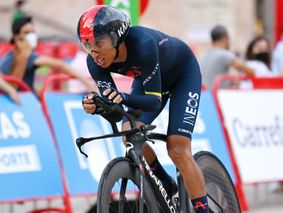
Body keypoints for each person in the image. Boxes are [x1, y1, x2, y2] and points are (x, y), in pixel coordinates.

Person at [80, 5, 209, 212]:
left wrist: (123, 97)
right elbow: (116, 112)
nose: (94, 52)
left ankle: (203, 209)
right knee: (128, 134)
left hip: (182, 75)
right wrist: (99, 107)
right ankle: (165, 181)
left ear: (116, 38)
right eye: (87, 44)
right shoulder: (94, 62)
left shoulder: (143, 45)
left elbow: (153, 101)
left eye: (99, 43)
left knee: (177, 148)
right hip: (149, 79)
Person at [0, 16, 95, 94]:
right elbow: (59, 65)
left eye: (33, 32)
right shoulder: (10, 59)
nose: (32, 36)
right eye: (27, 33)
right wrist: (87, 82)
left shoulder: (29, 55)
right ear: (16, 38)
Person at [199, 25, 253, 90]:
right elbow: (249, 70)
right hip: (217, 96)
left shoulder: (204, 55)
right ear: (226, 37)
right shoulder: (225, 54)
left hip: (204, 95)